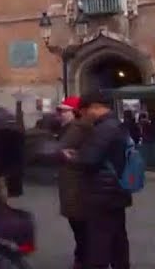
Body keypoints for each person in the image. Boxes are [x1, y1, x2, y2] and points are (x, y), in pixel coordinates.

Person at [63, 93, 132, 269]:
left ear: (94, 107)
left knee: (99, 242)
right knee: (118, 239)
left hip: (102, 193)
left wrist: (71, 157)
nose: (84, 115)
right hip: (116, 190)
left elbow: (90, 159)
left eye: (85, 111)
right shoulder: (116, 124)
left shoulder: (103, 129)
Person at [56, 97, 92, 269]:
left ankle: (83, 258)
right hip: (70, 182)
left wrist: (61, 152)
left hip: (76, 184)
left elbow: (60, 149)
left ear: (75, 112)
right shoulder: (67, 128)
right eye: (59, 111)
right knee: (78, 223)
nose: (60, 114)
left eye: (64, 111)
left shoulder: (76, 128)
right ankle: (83, 256)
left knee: (79, 223)